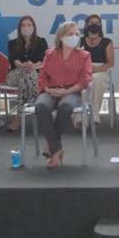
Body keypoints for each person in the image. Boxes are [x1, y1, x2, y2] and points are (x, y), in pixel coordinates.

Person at [34, 22, 92, 169]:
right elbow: (42, 76)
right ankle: (57, 148)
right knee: (40, 106)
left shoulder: (84, 55)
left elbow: (85, 79)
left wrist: (67, 91)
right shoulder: (50, 53)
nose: (74, 37)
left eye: (77, 34)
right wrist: (48, 89)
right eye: (70, 34)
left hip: (72, 91)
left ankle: (52, 146)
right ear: (60, 37)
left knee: (65, 107)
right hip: (51, 90)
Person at [6, 16, 48, 132]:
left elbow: (42, 61)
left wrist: (32, 66)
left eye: (29, 25)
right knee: (26, 75)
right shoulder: (12, 43)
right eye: (23, 25)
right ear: (19, 28)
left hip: (33, 74)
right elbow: (14, 60)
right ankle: (37, 110)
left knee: (28, 76)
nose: (26, 28)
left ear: (33, 27)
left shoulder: (41, 42)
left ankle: (19, 116)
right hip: (15, 74)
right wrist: (23, 65)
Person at [81, 14, 114, 125]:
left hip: (101, 70)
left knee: (96, 79)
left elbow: (110, 63)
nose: (94, 25)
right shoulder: (79, 41)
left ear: (100, 26)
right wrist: (88, 68)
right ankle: (80, 118)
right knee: (79, 82)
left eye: (97, 23)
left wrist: (97, 69)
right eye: (91, 23)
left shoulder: (107, 42)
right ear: (86, 26)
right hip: (83, 70)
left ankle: (94, 116)